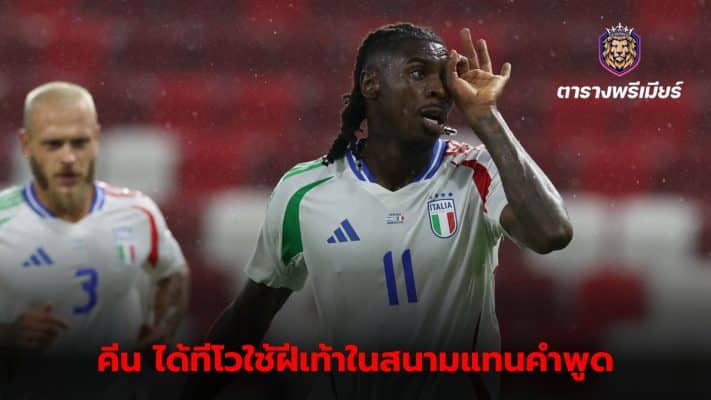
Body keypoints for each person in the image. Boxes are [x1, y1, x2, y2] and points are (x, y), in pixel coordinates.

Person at [181, 23, 572, 399]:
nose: (439, 89)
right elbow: (247, 319)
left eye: (444, 78)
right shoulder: (304, 191)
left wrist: (488, 118)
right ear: (372, 84)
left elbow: (552, 233)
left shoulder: (477, 171)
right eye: (419, 73)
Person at [0, 81, 190, 398]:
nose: (69, 157)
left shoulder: (137, 213)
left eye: (79, 142)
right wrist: (7, 335)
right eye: (53, 144)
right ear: (26, 144)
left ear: (97, 139)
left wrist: (163, 328)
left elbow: (174, 273)